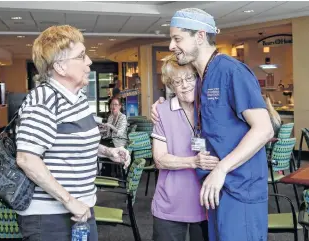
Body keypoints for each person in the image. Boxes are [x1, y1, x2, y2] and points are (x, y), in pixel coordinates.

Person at [151, 8, 274, 241]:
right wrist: (161, 105)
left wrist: (221, 169)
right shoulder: (203, 78)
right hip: (216, 192)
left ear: (199, 36)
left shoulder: (231, 71)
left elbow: (264, 129)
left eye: (177, 39)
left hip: (239, 191)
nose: (170, 46)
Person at [15, 25, 130, 241]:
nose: (89, 63)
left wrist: (108, 152)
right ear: (60, 67)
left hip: (81, 209)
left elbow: (73, 143)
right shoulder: (43, 100)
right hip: (50, 218)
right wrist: (69, 201)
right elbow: (27, 158)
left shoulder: (77, 99)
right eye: (81, 56)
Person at [151, 54, 219, 241]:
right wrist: (193, 161)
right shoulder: (162, 112)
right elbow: (159, 159)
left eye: (189, 78)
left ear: (198, 77)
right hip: (170, 204)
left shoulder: (212, 108)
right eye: (177, 81)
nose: (184, 85)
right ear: (171, 86)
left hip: (207, 202)